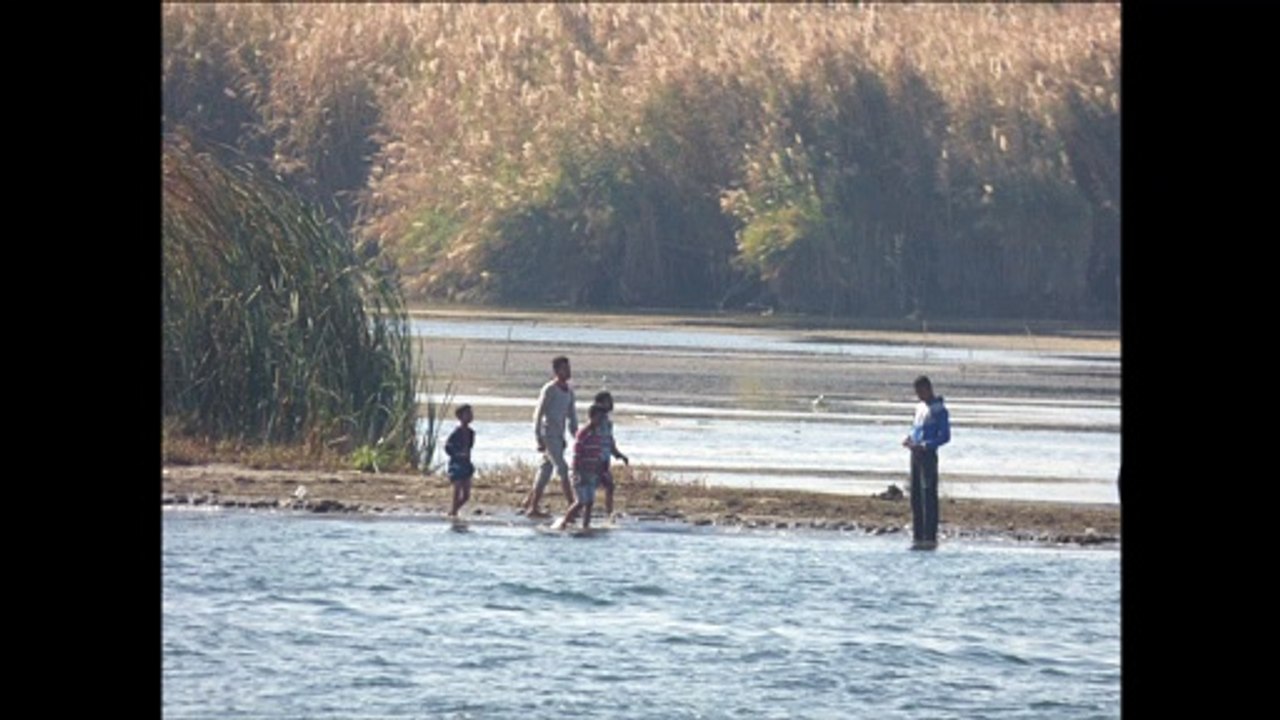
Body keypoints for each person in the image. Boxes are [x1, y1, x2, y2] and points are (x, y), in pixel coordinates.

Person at [521, 356, 577, 517]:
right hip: (548, 435)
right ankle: (572, 505)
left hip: (559, 437)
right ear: (556, 371)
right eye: (564, 368)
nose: (568, 371)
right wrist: (538, 437)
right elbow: (538, 415)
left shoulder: (569, 391)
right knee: (563, 469)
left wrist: (578, 437)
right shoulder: (549, 389)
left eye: (569, 368)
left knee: (545, 470)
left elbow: (572, 417)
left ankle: (532, 504)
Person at [901, 375, 950, 549]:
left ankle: (930, 535)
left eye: (921, 392)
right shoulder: (919, 407)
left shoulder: (939, 409)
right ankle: (918, 534)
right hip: (915, 454)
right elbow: (915, 428)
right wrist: (909, 439)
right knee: (915, 495)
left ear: (928, 389)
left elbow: (945, 436)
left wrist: (926, 445)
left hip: (928, 454)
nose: (919, 396)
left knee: (928, 495)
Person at [558, 404, 608, 530]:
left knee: (590, 502)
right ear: (592, 417)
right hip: (580, 471)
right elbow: (577, 453)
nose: (602, 420)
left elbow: (598, 453)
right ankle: (563, 524)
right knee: (580, 502)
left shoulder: (598, 433)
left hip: (592, 472)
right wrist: (575, 471)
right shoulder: (583, 433)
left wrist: (600, 470)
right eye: (600, 417)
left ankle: (586, 525)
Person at [593, 391, 629, 518]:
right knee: (595, 487)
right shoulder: (595, 421)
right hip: (595, 459)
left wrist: (618, 454)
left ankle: (609, 513)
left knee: (609, 486)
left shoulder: (608, 422)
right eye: (608, 401)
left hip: (604, 459)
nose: (611, 404)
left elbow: (609, 440)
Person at [445, 404, 476, 518]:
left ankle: (454, 509)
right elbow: (448, 447)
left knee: (466, 495)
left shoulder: (471, 433)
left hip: (466, 464)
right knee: (457, 487)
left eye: (470, 414)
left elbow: (470, 446)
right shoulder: (456, 432)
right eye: (467, 414)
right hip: (456, 463)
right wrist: (457, 454)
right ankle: (453, 511)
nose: (470, 416)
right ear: (460, 417)